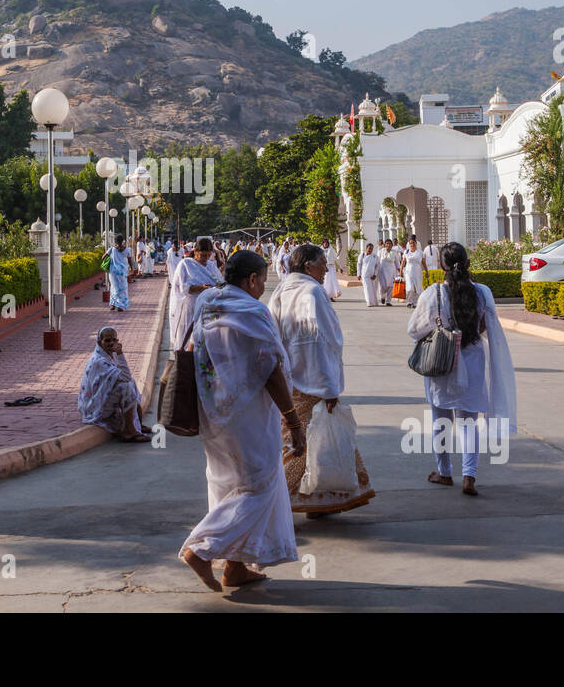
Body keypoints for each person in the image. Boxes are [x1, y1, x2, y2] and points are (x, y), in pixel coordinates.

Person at [180, 250, 302, 591]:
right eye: (262, 279)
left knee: (226, 485)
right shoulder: (253, 310)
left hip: (214, 412)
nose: (264, 285)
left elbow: (191, 349)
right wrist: (293, 421)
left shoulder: (207, 301)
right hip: (249, 416)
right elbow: (270, 369)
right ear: (251, 279)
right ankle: (202, 549)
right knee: (260, 486)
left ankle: (235, 566)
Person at [270, 243, 376, 516]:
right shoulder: (313, 292)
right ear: (308, 266)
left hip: (288, 381)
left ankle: (317, 500)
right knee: (306, 446)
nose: (326, 269)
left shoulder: (282, 290)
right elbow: (326, 342)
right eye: (322, 264)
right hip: (313, 382)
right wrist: (330, 388)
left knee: (308, 441)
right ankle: (272, 501)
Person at [408, 242, 517, 496]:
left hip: (442, 361)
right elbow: (486, 325)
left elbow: (414, 330)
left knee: (441, 420)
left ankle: (444, 472)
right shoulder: (483, 292)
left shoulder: (433, 294)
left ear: (441, 266)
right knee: (468, 421)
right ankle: (470, 476)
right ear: (468, 264)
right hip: (473, 359)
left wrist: (442, 330)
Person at [78, 327, 151, 443]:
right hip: (94, 407)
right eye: (107, 340)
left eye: (113, 340)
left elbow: (125, 376)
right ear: (99, 342)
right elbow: (125, 376)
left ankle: (138, 424)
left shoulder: (110, 354)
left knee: (131, 382)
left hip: (103, 399)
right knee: (126, 386)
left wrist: (118, 354)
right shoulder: (99, 360)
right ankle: (130, 430)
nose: (111, 343)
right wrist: (121, 354)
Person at [170, 236, 221, 350]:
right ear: (195, 252)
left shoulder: (211, 266)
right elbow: (182, 288)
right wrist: (200, 288)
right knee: (190, 340)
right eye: (203, 255)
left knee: (205, 343)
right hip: (191, 309)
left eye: (208, 255)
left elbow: (220, 282)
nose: (206, 258)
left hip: (208, 309)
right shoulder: (186, 264)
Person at [106, 234, 135, 312]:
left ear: (115, 241)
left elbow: (103, 257)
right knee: (122, 289)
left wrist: (111, 258)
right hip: (122, 272)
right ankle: (120, 306)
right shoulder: (127, 250)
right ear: (123, 241)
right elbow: (130, 261)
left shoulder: (112, 249)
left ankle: (113, 305)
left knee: (113, 288)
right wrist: (132, 269)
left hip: (113, 272)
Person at [402, 236, 428, 307]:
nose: (412, 244)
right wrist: (401, 272)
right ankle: (409, 301)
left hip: (417, 272)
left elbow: (423, 262)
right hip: (408, 272)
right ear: (409, 244)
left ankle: (416, 302)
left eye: (413, 243)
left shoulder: (420, 252)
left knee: (418, 287)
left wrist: (426, 271)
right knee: (410, 287)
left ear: (416, 243)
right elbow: (403, 262)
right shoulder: (406, 252)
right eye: (410, 243)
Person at [377, 239, 398, 306]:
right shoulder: (381, 251)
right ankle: (382, 296)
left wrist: (400, 270)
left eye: (390, 243)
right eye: (387, 243)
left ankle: (388, 301)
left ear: (392, 245)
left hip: (391, 271)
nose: (388, 245)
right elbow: (377, 261)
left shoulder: (395, 252)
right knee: (382, 286)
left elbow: (397, 262)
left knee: (391, 286)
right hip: (382, 270)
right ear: (385, 244)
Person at [358, 242, 380, 307]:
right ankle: (369, 302)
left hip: (372, 275)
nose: (370, 250)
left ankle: (374, 302)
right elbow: (359, 265)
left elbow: (378, 266)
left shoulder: (375, 256)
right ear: (366, 248)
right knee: (367, 288)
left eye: (372, 249)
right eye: (369, 248)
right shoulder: (362, 255)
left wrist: (375, 274)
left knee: (373, 289)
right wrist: (358, 274)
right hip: (364, 275)